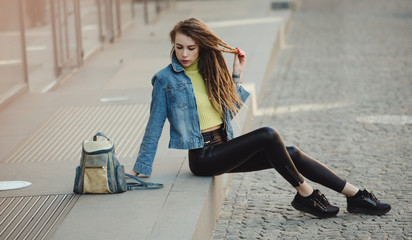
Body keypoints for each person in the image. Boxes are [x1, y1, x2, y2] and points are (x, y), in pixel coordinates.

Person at [126, 18, 391, 218]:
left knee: (292, 153)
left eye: (191, 48)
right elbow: (154, 124)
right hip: (203, 158)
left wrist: (237, 74)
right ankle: (305, 193)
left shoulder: (210, 69)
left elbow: (226, 111)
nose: (184, 54)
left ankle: (354, 195)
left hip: (223, 146)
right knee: (268, 134)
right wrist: (141, 168)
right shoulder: (165, 80)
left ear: (202, 47)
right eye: (179, 47)